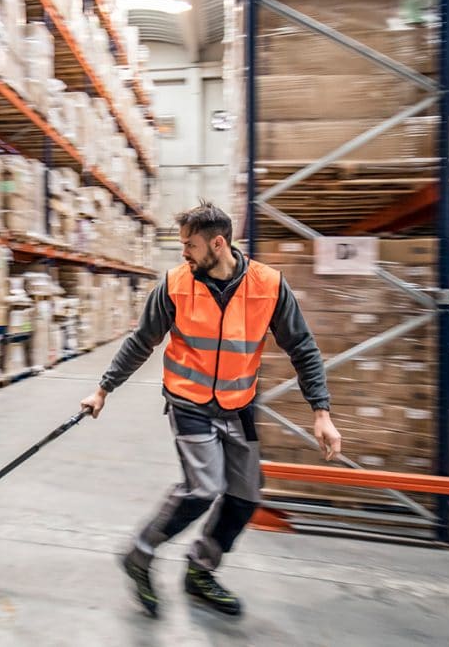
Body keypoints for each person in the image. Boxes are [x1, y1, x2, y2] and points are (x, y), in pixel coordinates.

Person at [80, 202, 341, 618]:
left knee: (245, 495)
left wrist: (321, 412)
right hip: (189, 402)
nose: (184, 252)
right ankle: (140, 553)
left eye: (190, 245)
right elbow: (141, 340)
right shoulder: (175, 284)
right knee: (202, 488)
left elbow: (302, 347)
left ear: (218, 244)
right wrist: (103, 389)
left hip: (238, 404)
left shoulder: (268, 285)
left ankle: (200, 569)